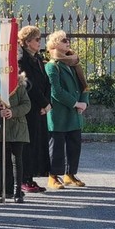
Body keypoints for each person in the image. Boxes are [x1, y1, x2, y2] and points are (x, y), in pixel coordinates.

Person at [45, 31, 89, 190]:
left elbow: (84, 86)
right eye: (64, 40)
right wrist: (75, 103)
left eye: (68, 40)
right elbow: (55, 91)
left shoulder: (73, 63)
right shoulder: (52, 66)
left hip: (74, 113)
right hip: (59, 113)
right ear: (55, 44)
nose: (68, 42)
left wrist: (84, 102)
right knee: (56, 146)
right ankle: (53, 176)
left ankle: (70, 174)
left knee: (74, 144)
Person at [0, 71, 31, 203]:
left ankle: (17, 191)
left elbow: (26, 105)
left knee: (17, 160)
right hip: (0, 127)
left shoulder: (19, 86)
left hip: (18, 128)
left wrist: (13, 112)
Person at [18, 25, 51, 192]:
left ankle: (31, 177)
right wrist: (43, 102)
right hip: (30, 106)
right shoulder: (22, 59)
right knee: (28, 143)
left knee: (38, 142)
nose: (40, 42)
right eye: (37, 39)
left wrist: (47, 103)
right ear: (27, 41)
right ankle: (24, 178)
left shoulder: (38, 58)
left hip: (41, 107)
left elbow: (46, 82)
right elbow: (29, 83)